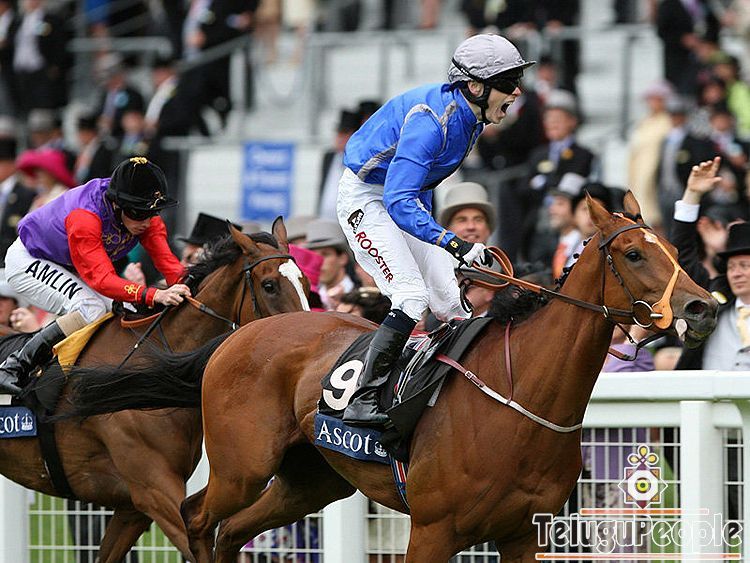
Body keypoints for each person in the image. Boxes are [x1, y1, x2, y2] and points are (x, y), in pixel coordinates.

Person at [336, 33, 534, 426]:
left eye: (517, 81)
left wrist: (444, 246)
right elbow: (398, 200)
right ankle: (363, 397)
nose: (516, 92)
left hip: (404, 196)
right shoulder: (432, 122)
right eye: (508, 82)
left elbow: (419, 187)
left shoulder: (473, 117)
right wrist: (454, 244)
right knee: (412, 297)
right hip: (368, 198)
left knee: (451, 305)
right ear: (475, 87)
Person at [0, 157, 190, 395]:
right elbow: (101, 279)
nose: (147, 221)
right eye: (139, 212)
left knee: (128, 308)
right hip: (29, 259)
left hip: (68, 263)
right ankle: (14, 365)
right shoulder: (85, 217)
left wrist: (190, 289)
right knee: (90, 307)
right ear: (117, 204)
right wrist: (153, 295)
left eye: (153, 212)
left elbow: (170, 265)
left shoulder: (145, 218)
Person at [672, 156, 750, 371]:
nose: (736, 273)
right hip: (708, 391)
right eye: (731, 267)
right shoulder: (715, 296)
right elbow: (682, 255)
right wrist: (692, 194)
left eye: (744, 266)